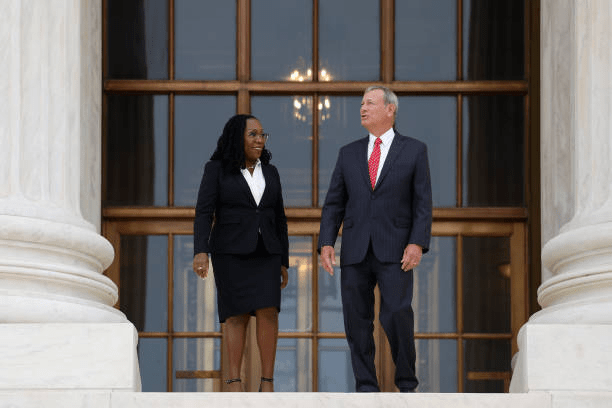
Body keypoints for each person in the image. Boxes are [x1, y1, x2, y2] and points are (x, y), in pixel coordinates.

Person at [318, 86, 432, 392]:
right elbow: (334, 203)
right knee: (356, 320)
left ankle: (406, 382)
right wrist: (326, 242)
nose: (362, 108)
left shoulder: (414, 150)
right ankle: (366, 386)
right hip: (355, 249)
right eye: (362, 103)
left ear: (390, 109)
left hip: (396, 248)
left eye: (370, 103)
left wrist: (417, 242)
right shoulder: (348, 153)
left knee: (396, 313)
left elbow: (422, 202)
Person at [193, 114, 289, 392]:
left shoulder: (271, 172)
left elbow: (279, 218)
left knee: (269, 310)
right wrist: (201, 251)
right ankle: (234, 381)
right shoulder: (216, 169)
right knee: (236, 314)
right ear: (238, 138)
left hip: (267, 251)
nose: (260, 140)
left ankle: (267, 382)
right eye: (253, 134)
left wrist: (283, 260)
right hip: (230, 251)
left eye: (262, 135)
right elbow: (204, 212)